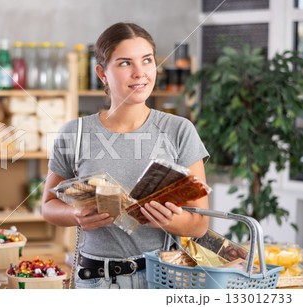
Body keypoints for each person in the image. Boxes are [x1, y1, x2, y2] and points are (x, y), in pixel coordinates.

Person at [42, 22, 209, 289]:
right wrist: (76, 215)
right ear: (102, 73)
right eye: (124, 63)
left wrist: (172, 221)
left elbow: (200, 223)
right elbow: (48, 206)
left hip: (161, 278)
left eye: (147, 60)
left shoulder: (179, 130)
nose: (140, 73)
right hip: (94, 281)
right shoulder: (75, 132)